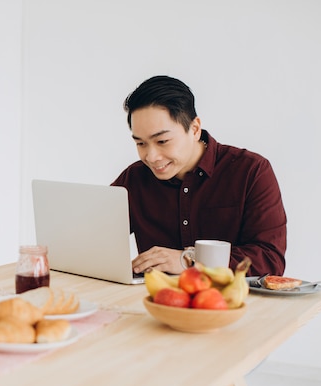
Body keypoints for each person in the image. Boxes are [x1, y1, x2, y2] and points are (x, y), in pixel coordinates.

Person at [112, 75, 286, 276]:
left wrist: (191, 260)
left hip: (231, 303)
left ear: (194, 129)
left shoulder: (251, 171)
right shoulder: (133, 179)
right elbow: (92, 238)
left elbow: (270, 259)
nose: (151, 157)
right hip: (155, 302)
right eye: (140, 143)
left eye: (162, 141)